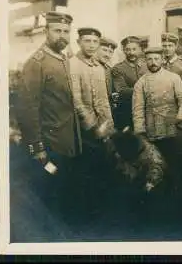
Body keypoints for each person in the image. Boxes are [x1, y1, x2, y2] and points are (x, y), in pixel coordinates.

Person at [15, 11, 82, 236]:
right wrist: (37, 147)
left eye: (66, 31)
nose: (62, 35)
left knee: (64, 190)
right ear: (46, 32)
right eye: (57, 30)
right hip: (49, 144)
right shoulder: (36, 63)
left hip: (67, 140)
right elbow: (27, 108)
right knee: (49, 195)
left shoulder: (63, 58)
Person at [132, 46, 182, 205]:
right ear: (145, 61)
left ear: (163, 60)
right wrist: (140, 132)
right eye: (149, 59)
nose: (153, 62)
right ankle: (159, 202)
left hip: (173, 130)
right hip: (152, 132)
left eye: (157, 58)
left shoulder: (174, 78)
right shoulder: (141, 83)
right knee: (156, 167)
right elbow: (137, 109)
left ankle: (179, 201)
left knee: (176, 165)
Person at [69, 27, 115, 221]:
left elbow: (103, 100)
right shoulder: (72, 65)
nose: (91, 45)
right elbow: (76, 101)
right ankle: (83, 213)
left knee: (103, 167)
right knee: (84, 169)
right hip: (83, 130)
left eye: (95, 42)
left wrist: (108, 125)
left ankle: (101, 210)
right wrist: (93, 127)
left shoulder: (98, 67)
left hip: (103, 127)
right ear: (79, 42)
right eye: (87, 41)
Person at [111, 36, 149, 130]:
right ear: (123, 50)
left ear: (140, 49)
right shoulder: (118, 68)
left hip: (147, 112)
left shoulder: (146, 66)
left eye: (134, 49)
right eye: (128, 49)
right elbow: (122, 90)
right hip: (128, 112)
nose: (131, 53)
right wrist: (147, 89)